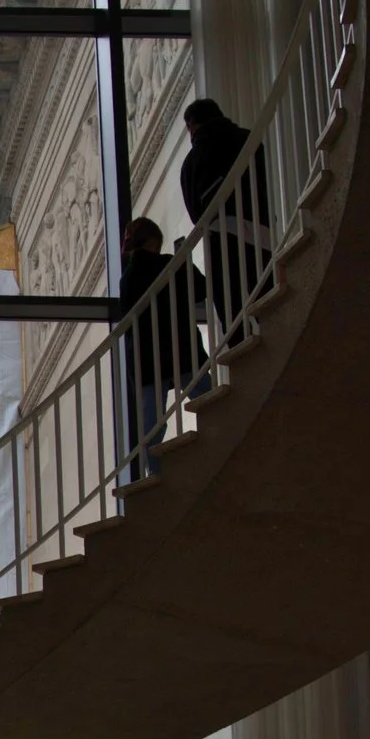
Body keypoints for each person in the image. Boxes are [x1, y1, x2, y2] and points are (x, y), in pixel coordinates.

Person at [179, 97, 273, 345]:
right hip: (261, 227)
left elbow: (195, 212)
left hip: (222, 236)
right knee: (267, 293)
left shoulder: (193, 161)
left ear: (192, 124)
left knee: (232, 304)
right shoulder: (247, 139)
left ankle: (241, 347)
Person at [116, 216, 205, 476]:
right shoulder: (170, 264)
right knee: (205, 392)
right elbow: (200, 290)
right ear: (155, 240)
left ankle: (154, 475)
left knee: (151, 426)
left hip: (146, 359)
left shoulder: (128, 277)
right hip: (182, 347)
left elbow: (128, 320)